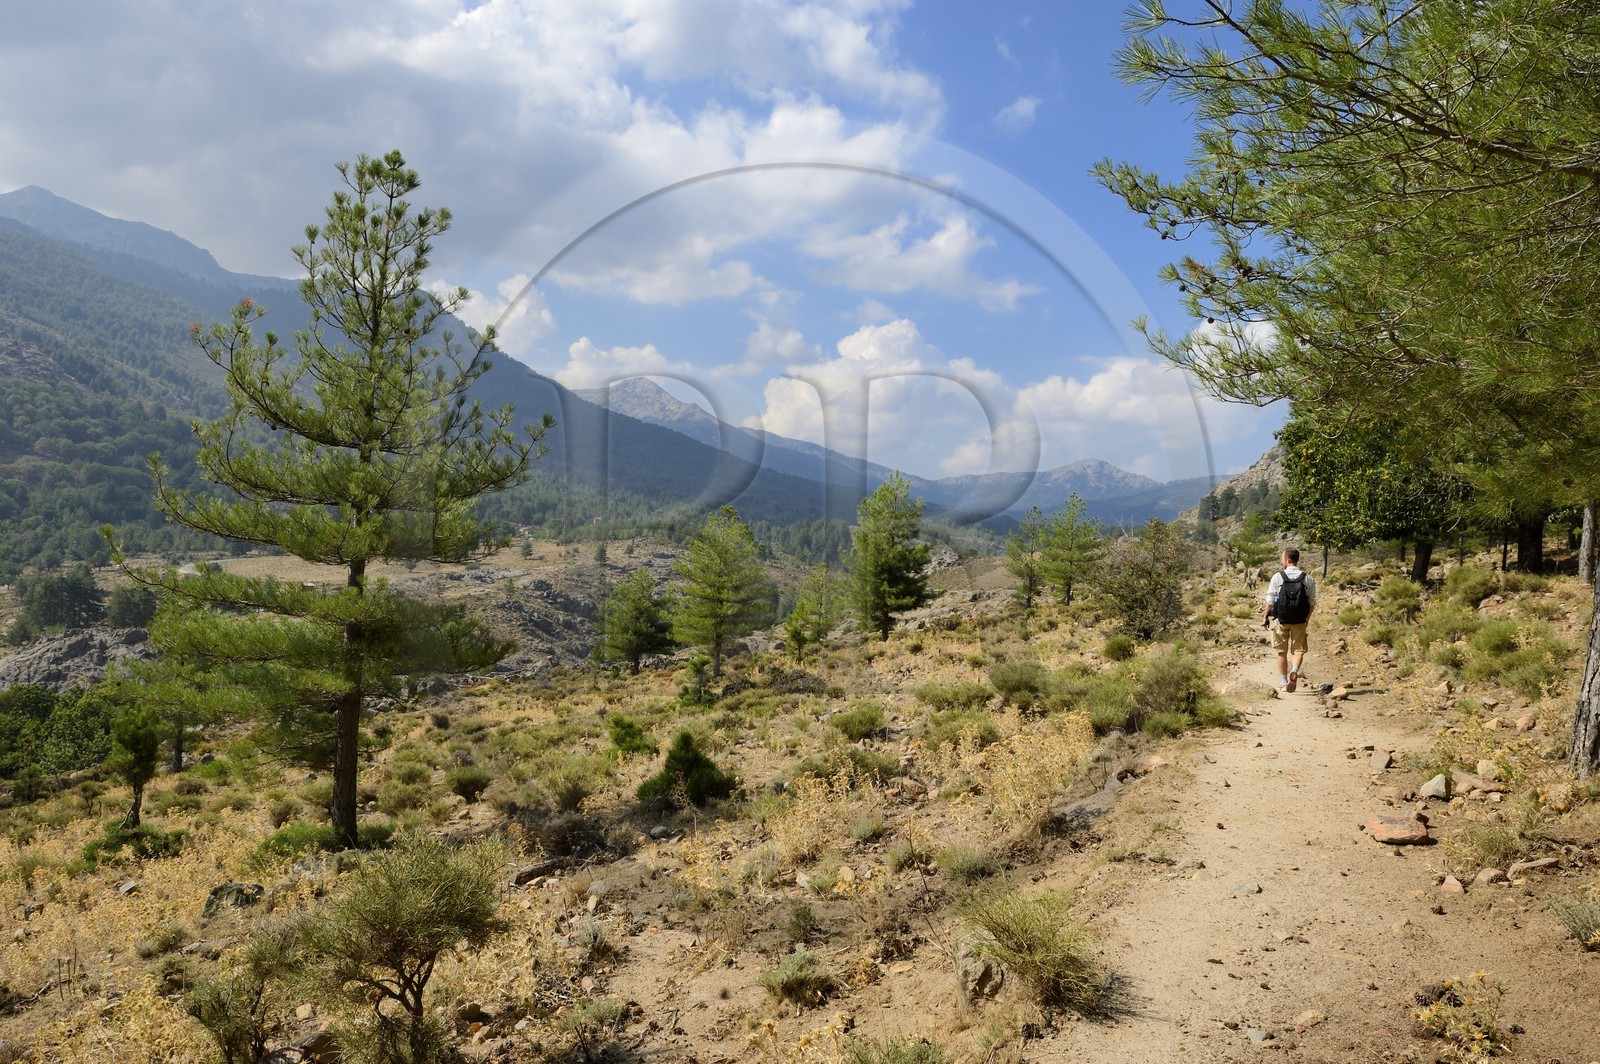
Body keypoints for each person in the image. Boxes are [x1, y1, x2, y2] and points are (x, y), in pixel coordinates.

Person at [1261, 546, 1315, 692]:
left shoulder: (1278, 577)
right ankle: (1295, 670)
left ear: (1287, 559)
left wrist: (1265, 616)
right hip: (1300, 620)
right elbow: (1311, 603)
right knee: (1298, 650)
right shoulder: (1307, 578)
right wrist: (1306, 619)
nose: (1281, 560)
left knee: (1281, 652)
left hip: (1281, 620)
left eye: (1282, 558)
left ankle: (1284, 681)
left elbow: (1270, 599)